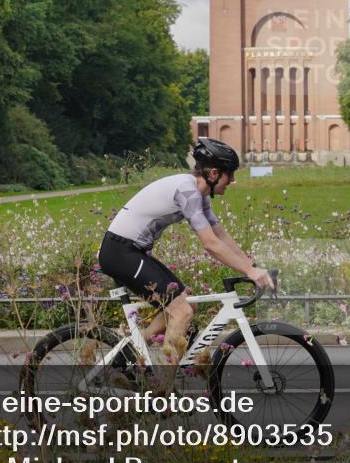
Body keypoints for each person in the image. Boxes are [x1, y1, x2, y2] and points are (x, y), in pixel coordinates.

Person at [98, 138, 275, 363]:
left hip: (132, 252)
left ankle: (128, 357)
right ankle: (163, 390)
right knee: (182, 312)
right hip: (120, 253)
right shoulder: (187, 191)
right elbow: (210, 244)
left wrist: (252, 267)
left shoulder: (197, 194)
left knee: (184, 302)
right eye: (229, 174)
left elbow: (220, 235)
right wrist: (250, 272)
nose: (232, 180)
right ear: (213, 173)